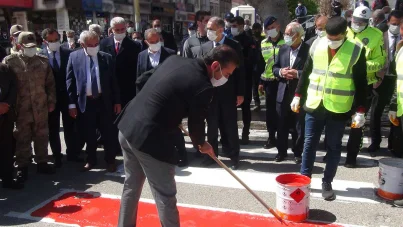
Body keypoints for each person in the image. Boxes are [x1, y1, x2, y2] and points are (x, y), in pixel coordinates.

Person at [116, 45, 239, 227]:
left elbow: (143, 80)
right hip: (149, 138)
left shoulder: (176, 60)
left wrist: (163, 108)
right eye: (227, 74)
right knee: (165, 195)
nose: (226, 79)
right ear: (215, 66)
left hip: (128, 125)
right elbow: (196, 124)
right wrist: (202, 144)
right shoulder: (203, 86)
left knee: (131, 187)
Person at [295, 16, 367, 201]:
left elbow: (361, 83)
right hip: (315, 103)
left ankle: (327, 182)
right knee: (309, 144)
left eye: (336, 38)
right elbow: (307, 71)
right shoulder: (316, 45)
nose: (331, 41)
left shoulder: (356, 50)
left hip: (338, 107)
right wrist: (297, 95)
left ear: (344, 34)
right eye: (329, 37)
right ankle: (304, 181)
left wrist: (360, 110)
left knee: (334, 147)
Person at [3, 32, 57, 184]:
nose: (32, 49)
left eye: (34, 47)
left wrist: (51, 101)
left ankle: (42, 162)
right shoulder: (10, 62)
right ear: (19, 46)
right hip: (21, 109)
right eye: (28, 47)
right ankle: (22, 165)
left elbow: (50, 84)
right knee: (22, 137)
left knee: (42, 135)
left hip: (41, 107)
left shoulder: (43, 62)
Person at [66, 31, 121, 172]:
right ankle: (91, 159)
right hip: (86, 102)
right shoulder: (74, 57)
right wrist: (71, 103)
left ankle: (110, 160)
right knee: (89, 133)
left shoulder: (106, 58)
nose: (94, 47)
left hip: (104, 101)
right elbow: (70, 82)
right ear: (82, 44)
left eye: (96, 44)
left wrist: (117, 101)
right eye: (90, 45)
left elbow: (114, 81)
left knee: (108, 132)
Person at [198, 17, 245, 170]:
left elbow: (240, 71)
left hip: (228, 92)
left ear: (220, 29)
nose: (208, 31)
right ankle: (211, 156)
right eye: (207, 28)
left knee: (230, 125)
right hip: (210, 93)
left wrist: (240, 92)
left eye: (211, 29)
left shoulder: (233, 46)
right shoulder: (205, 46)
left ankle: (234, 156)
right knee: (211, 125)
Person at [346, 6, 386, 166]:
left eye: (362, 22)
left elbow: (380, 61)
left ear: (368, 22)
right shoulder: (344, 32)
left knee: (358, 122)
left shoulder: (375, 36)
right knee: (334, 120)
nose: (357, 23)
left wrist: (360, 67)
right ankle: (332, 152)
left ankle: (351, 157)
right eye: (355, 20)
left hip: (363, 86)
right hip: (341, 84)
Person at [40, 28, 81, 167]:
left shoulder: (69, 54)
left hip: (67, 97)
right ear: (45, 41)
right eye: (51, 41)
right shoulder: (41, 57)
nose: (54, 43)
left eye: (56, 40)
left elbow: (74, 77)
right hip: (50, 99)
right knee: (53, 128)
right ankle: (57, 156)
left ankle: (72, 153)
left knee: (70, 126)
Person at [273, 22, 309, 164]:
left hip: (299, 94)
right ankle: (281, 152)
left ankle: (297, 152)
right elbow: (275, 68)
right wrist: (281, 72)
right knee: (281, 125)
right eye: (286, 33)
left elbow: (311, 71)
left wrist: (297, 74)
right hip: (282, 93)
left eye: (289, 34)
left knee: (298, 126)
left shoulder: (308, 50)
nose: (286, 36)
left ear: (298, 35)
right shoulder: (283, 49)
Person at [372, 10, 403, 158]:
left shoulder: (402, 38)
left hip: (398, 80)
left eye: (399, 24)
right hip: (382, 78)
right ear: (388, 22)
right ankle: (375, 142)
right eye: (393, 24)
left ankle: (394, 144)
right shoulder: (380, 36)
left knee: (396, 112)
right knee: (376, 111)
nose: (396, 27)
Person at [100, 17, 141, 108]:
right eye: (117, 30)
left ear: (126, 28)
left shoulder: (135, 46)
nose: (120, 32)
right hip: (109, 90)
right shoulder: (103, 44)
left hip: (127, 89)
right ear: (112, 30)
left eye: (122, 29)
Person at [231, 16, 259, 144]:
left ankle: (245, 133)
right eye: (231, 26)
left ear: (242, 26)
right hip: (230, 79)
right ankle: (231, 134)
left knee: (245, 108)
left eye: (235, 26)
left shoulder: (249, 41)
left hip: (245, 79)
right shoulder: (229, 40)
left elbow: (252, 61)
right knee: (230, 109)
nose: (233, 28)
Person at [258, 16, 285, 149]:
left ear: (278, 26)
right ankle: (271, 137)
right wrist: (260, 81)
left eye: (273, 27)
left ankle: (282, 137)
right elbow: (260, 64)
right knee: (270, 112)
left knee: (282, 111)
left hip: (283, 82)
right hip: (268, 82)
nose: (271, 30)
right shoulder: (263, 43)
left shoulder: (286, 41)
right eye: (268, 29)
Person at [0, 63, 23, 189]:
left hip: (5, 116)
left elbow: (14, 87)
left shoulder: (5, 69)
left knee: (6, 149)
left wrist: (7, 104)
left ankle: (7, 179)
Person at [251, 22, 265, 110]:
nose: (256, 31)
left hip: (263, 65)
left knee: (263, 84)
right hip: (253, 65)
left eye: (258, 29)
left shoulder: (264, 40)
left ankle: (266, 99)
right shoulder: (250, 40)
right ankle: (257, 102)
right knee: (254, 85)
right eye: (254, 29)